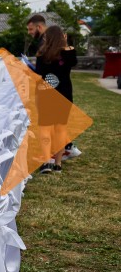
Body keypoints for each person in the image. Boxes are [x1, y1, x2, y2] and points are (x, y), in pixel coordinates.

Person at [34, 26, 77, 173]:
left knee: (45, 129)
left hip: (46, 94)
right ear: (62, 37)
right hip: (65, 93)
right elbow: (73, 61)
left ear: (47, 38)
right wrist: (65, 44)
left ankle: (46, 161)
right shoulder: (69, 53)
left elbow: (38, 74)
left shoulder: (41, 54)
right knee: (60, 129)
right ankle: (58, 164)